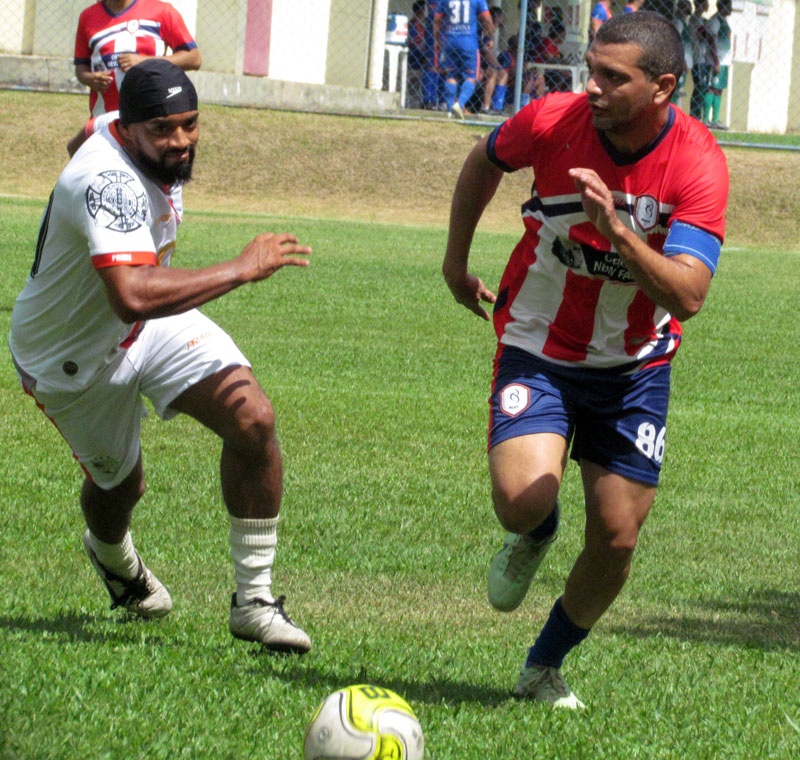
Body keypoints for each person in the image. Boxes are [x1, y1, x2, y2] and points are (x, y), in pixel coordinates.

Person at [441, 11, 727, 708]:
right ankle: (536, 533)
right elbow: (483, 161)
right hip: (538, 341)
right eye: (590, 69)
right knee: (520, 501)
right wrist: (455, 260)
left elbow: (689, 294)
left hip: (636, 367)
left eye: (611, 76)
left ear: (663, 87)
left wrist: (619, 235)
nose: (589, 87)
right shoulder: (549, 119)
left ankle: (543, 666)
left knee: (619, 539)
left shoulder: (697, 161)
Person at [9, 59, 312, 654]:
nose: (180, 142)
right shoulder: (111, 182)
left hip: (150, 324)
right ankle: (113, 556)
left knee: (253, 420)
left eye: (190, 125)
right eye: (164, 131)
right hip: (72, 358)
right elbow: (129, 296)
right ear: (129, 130)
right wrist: (241, 269)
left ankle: (254, 602)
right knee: (121, 488)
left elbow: (85, 137)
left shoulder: (116, 132)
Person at [74, 0, 201, 117]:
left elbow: (193, 59)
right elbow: (81, 67)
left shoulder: (162, 11)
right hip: (104, 117)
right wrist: (88, 78)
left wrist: (145, 62)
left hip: (150, 117)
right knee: (74, 143)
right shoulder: (88, 17)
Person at [434, 0, 494, 118]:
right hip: (469, 42)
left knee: (451, 76)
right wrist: (489, 36)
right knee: (472, 77)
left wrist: (436, 39)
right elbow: (487, 20)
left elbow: (437, 20)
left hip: (450, 41)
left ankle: (450, 110)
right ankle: (459, 104)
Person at [704, 0, 732, 128]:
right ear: (723, 7)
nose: (731, 9)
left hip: (724, 61)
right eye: (729, 6)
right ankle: (706, 119)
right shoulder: (715, 21)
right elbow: (711, 40)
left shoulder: (724, 21)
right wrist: (716, 61)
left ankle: (715, 120)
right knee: (712, 88)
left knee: (719, 89)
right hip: (716, 61)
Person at [688, 0, 712, 120]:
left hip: (701, 57)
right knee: (699, 87)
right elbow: (703, 36)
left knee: (702, 87)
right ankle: (695, 115)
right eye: (705, 3)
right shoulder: (696, 20)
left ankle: (697, 115)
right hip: (697, 58)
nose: (707, 5)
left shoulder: (700, 19)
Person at [670, 0, 694, 104]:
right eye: (687, 7)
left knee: (679, 89)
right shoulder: (678, 22)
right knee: (675, 89)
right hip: (681, 61)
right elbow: (675, 42)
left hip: (685, 60)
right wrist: (682, 61)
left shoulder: (684, 22)